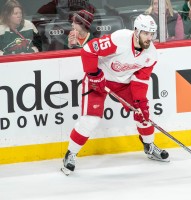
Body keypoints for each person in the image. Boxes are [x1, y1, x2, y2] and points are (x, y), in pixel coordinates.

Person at [61, 14, 169, 175]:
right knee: (91, 120)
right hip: (99, 79)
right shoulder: (120, 39)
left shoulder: (151, 54)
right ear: (136, 31)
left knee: (143, 113)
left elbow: (140, 79)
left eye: (152, 34)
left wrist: (139, 102)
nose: (149, 38)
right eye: (146, 33)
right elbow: (88, 50)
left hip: (123, 84)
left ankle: (149, 146)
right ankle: (70, 154)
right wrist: (94, 75)